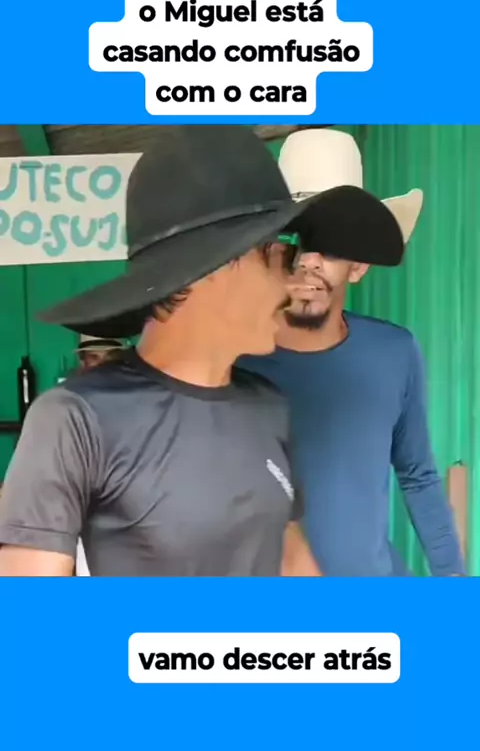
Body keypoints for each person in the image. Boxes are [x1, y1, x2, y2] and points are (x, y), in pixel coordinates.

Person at [0, 125, 397, 578]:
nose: (292, 284)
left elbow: (292, 562)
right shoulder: (76, 418)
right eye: (283, 256)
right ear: (214, 268)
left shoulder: (268, 406)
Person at [238, 128, 465, 577]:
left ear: (359, 265)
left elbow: (418, 475)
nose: (309, 261)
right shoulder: (233, 360)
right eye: (295, 239)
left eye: (331, 244)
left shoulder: (394, 352)